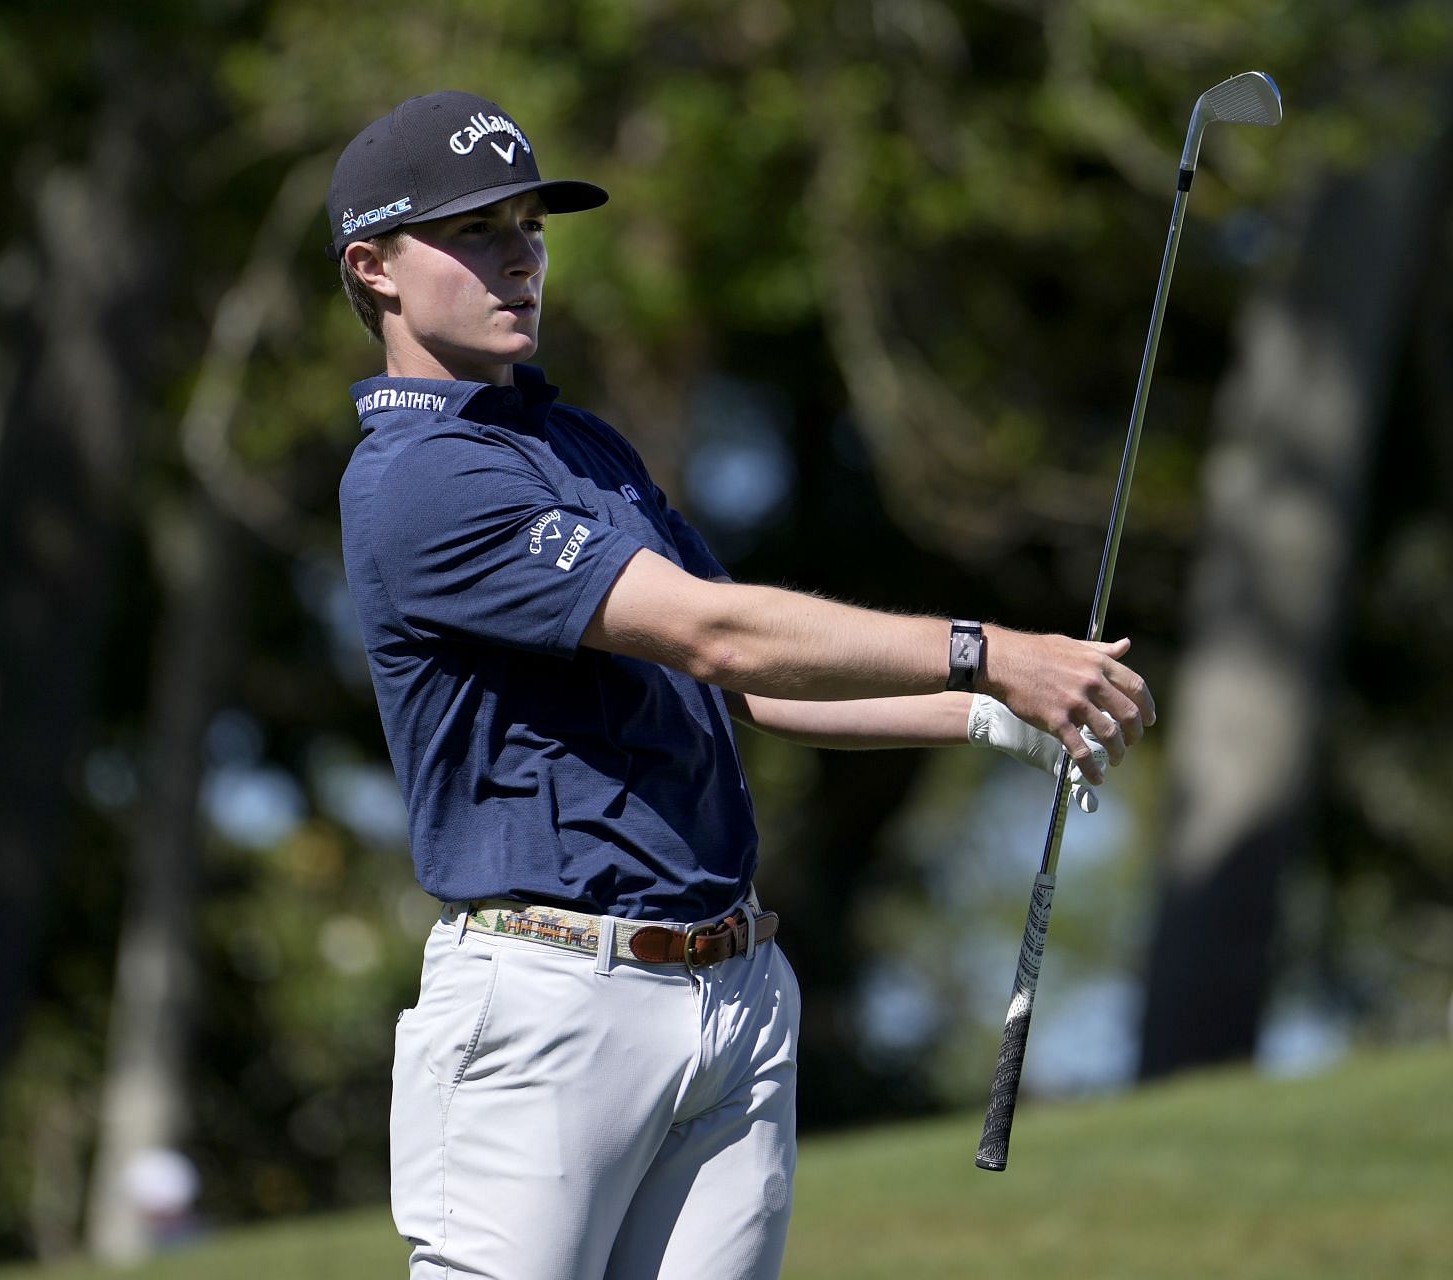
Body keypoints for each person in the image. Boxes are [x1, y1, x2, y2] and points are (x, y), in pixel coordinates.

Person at [328, 90, 1154, 1280]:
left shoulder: (580, 447)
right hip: (550, 1004)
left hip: (733, 990)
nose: (520, 256)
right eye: (474, 231)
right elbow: (721, 633)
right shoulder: (416, 479)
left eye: (530, 224)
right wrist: (988, 647)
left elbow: (756, 690)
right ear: (376, 268)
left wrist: (987, 713)